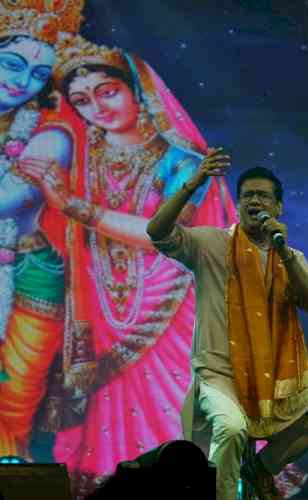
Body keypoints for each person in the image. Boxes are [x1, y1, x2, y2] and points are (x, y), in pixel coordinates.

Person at [17, 34, 236, 497]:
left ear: (139, 92)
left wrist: (75, 206)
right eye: (81, 100)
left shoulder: (185, 161)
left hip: (173, 308)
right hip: (102, 313)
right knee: (114, 420)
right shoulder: (81, 160)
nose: (97, 106)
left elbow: (164, 234)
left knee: (176, 411)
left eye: (107, 91)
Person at [147, 164, 308, 500]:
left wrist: (284, 253)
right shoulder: (211, 243)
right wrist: (192, 184)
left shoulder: (289, 256)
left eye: (262, 195)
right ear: (239, 203)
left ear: (278, 208)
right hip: (220, 374)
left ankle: (261, 467)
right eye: (247, 195)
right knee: (231, 429)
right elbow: (157, 231)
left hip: (275, 380)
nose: (253, 201)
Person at [0, 0, 85, 459]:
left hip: (27, 266)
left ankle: (10, 456)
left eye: (37, 76)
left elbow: (5, 203)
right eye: (12, 64)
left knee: (18, 381)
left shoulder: (51, 134)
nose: (22, 81)